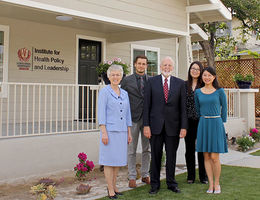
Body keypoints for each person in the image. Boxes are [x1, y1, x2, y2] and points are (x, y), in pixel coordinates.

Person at [143, 56, 187, 194]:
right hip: (155, 127)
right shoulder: (151, 82)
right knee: (155, 157)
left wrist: (184, 127)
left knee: (171, 157)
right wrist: (146, 125)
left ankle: (171, 183)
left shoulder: (180, 84)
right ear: (160, 67)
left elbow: (183, 108)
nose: (167, 67)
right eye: (164, 65)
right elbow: (146, 106)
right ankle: (155, 185)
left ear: (172, 68)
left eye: (169, 65)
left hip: (173, 127)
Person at [98, 65, 132, 199]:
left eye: (118, 75)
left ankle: (114, 186)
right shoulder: (104, 92)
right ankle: (110, 189)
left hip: (122, 131)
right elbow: (101, 114)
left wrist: (129, 132)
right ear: (109, 76)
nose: (116, 77)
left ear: (121, 77)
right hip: (109, 131)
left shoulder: (125, 93)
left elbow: (128, 114)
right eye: (113, 75)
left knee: (118, 161)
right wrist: (104, 132)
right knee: (109, 161)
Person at [195, 67, 228, 194]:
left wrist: (221, 123)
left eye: (209, 75)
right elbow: (198, 110)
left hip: (216, 124)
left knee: (214, 156)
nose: (207, 77)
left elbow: (224, 108)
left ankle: (217, 183)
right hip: (203, 124)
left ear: (214, 77)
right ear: (202, 77)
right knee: (206, 156)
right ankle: (211, 184)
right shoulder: (198, 92)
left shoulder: (220, 91)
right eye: (204, 75)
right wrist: (203, 119)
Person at [121, 55, 151, 188]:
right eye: (139, 63)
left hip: (147, 120)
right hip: (132, 119)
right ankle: (132, 176)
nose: (141, 66)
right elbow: (121, 99)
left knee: (147, 149)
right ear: (135, 64)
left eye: (144, 64)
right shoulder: (126, 81)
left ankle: (145, 174)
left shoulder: (151, 80)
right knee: (131, 149)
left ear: (146, 66)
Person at [185, 61, 208, 184]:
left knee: (201, 149)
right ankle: (190, 176)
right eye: (193, 68)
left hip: (201, 121)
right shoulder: (184, 85)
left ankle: (203, 176)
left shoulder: (204, 85)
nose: (195, 71)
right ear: (190, 70)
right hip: (188, 122)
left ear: (201, 72)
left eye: (197, 69)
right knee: (189, 149)